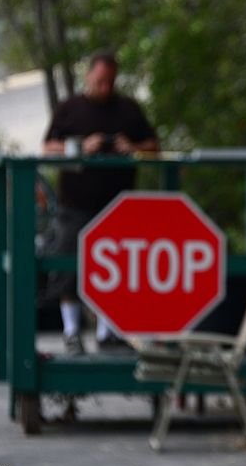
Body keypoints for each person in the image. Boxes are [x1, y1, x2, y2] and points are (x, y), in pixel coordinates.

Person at [42, 50, 160, 354]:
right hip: (75, 202)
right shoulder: (69, 109)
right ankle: (71, 331)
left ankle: (108, 332)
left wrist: (130, 147)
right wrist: (83, 146)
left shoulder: (128, 109)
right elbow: (48, 147)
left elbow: (154, 146)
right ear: (88, 76)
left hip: (117, 205)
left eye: (110, 82)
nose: (105, 87)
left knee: (114, 268)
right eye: (99, 81)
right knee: (67, 265)